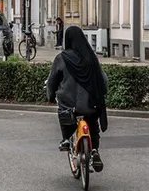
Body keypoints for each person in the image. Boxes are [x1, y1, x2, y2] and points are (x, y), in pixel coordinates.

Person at [46, 25, 108, 172]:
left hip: (69, 104)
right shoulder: (91, 57)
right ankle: (94, 151)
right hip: (90, 104)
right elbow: (102, 78)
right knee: (93, 125)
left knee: (65, 115)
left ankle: (67, 139)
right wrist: (101, 93)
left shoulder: (62, 58)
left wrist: (50, 96)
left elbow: (52, 80)